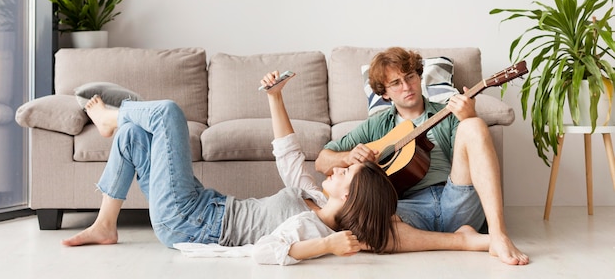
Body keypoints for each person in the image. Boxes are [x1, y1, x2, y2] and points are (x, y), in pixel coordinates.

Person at [60, 71, 399, 265]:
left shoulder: (316, 230)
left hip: (190, 222)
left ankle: (110, 117)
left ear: (350, 196)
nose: (337, 169)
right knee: (134, 135)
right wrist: (275, 97)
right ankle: (105, 224)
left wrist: (327, 246)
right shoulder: (317, 199)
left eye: (345, 174)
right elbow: (288, 155)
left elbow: (268, 251)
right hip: (201, 203)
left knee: (167, 114)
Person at [315, 47, 529, 265]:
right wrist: (348, 157)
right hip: (408, 212)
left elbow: (471, 162)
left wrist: (468, 118)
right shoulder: (376, 125)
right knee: (363, 231)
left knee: (473, 125)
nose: (407, 87)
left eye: (410, 77)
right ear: (385, 93)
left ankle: (499, 235)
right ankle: (464, 241)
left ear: (419, 76)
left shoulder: (448, 111)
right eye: (396, 83)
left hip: (456, 199)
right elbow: (322, 161)